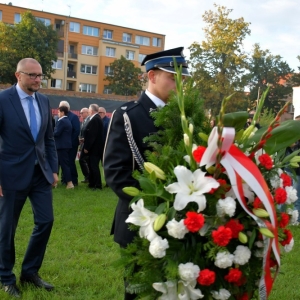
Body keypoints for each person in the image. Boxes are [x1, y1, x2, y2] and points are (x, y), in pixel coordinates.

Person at [103, 47, 190, 300]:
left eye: (183, 80)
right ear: (152, 76)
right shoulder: (128, 115)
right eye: (173, 78)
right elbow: (116, 173)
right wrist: (159, 201)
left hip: (177, 221)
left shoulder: (182, 115)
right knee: (139, 292)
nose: (180, 86)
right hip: (139, 221)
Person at [0, 58, 58, 297]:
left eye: (40, 75)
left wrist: (53, 169)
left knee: (45, 221)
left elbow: (48, 138)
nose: (38, 80)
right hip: (10, 175)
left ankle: (30, 272)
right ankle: (6, 277)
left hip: (40, 174)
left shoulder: (43, 100)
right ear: (18, 75)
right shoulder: (3, 100)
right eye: (32, 75)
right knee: (6, 229)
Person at [58, 101, 80, 186]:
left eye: (60, 108)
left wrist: (70, 141)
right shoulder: (60, 117)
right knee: (64, 162)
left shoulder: (73, 117)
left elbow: (76, 130)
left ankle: (73, 180)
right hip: (64, 145)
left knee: (70, 162)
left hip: (71, 144)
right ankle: (65, 179)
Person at [83, 104, 104, 190]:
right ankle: (92, 183)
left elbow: (92, 135)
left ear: (91, 111)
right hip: (95, 147)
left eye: (88, 110)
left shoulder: (95, 119)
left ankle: (98, 185)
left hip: (95, 148)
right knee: (91, 166)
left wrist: (87, 147)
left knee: (94, 166)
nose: (88, 111)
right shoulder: (96, 119)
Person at [54, 106, 74, 189]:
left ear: (62, 112)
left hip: (61, 146)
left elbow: (56, 133)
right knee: (57, 165)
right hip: (64, 146)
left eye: (59, 112)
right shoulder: (67, 120)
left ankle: (70, 183)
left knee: (64, 165)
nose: (58, 114)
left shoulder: (62, 121)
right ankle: (54, 182)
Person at [79, 108, 90, 183]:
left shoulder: (89, 121)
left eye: (82, 113)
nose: (81, 114)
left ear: (87, 112)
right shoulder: (84, 121)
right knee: (83, 160)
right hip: (83, 144)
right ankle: (87, 177)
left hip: (87, 144)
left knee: (82, 160)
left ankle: (88, 176)